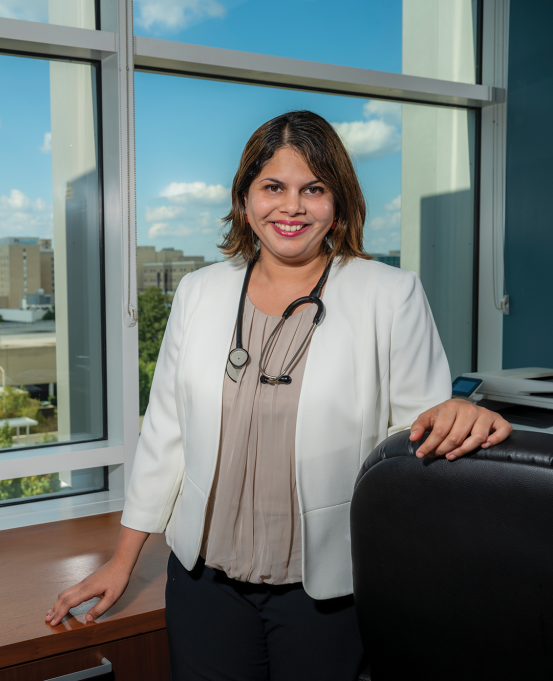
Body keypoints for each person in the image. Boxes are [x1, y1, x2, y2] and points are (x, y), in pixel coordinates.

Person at [45, 110, 512, 680]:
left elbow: (414, 442)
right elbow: (165, 432)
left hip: (326, 589)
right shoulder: (199, 292)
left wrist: (457, 414)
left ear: (338, 205)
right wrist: (122, 562)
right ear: (245, 201)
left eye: (313, 189)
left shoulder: (389, 295)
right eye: (272, 187)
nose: (291, 207)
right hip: (203, 582)